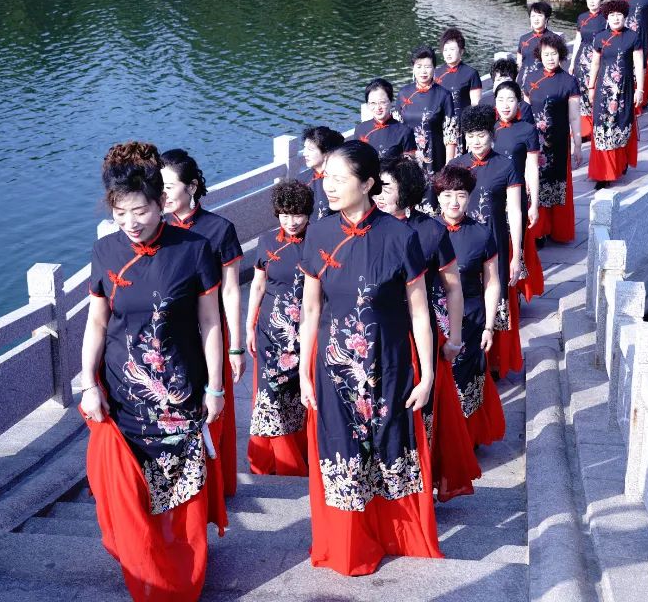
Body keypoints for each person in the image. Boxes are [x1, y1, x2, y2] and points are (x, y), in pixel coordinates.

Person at [80, 142, 227, 602]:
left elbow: (209, 322)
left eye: (140, 211)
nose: (131, 223)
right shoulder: (105, 251)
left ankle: (183, 574)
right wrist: (88, 383)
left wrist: (217, 386)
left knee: (180, 490)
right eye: (121, 213)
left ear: (161, 203)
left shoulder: (195, 249)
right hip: (123, 395)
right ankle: (145, 570)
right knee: (134, 492)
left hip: (179, 392)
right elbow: (97, 321)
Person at [298, 140, 442, 576]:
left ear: (367, 183)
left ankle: (394, 534)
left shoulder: (401, 236)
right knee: (342, 450)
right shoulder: (320, 232)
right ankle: (348, 544)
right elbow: (310, 310)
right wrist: (305, 373)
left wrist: (429, 373)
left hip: (391, 363)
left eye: (341, 180)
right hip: (335, 368)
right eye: (327, 178)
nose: (329, 188)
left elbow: (419, 310)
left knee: (389, 443)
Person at [375, 156, 479, 503]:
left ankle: (420, 484)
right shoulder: (367, 227)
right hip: (373, 335)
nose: (377, 193)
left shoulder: (431, 231)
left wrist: (455, 337)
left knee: (422, 410)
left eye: (386, 187)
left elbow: (453, 288)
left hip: (419, 332)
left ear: (405, 189)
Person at [163, 148, 244, 499]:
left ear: (191, 186)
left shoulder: (219, 229)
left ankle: (214, 488)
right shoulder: (156, 231)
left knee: (212, 406)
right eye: (157, 186)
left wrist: (236, 344)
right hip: (168, 337)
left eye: (168, 186)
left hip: (210, 331)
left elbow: (230, 292)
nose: (161, 194)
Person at [432, 165, 506, 446]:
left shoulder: (481, 234)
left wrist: (489, 326)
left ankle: (465, 440)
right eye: (448, 195)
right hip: (434, 319)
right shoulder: (425, 231)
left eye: (461, 195)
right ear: (438, 197)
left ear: (470, 197)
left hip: (471, 318)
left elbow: (492, 282)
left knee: (467, 378)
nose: (454, 202)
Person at [449, 106, 525, 380]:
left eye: (481, 134)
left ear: (491, 135)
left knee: (495, 294)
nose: (476, 141)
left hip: (495, 243)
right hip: (462, 245)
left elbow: (515, 211)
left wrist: (517, 254)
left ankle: (494, 362)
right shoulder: (456, 165)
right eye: (471, 135)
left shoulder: (506, 165)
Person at [244, 180, 313, 477]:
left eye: (297, 214)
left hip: (309, 328)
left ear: (308, 213)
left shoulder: (319, 241)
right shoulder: (268, 241)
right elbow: (258, 284)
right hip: (271, 329)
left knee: (303, 393)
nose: (291, 221)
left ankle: (305, 453)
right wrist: (248, 326)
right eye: (284, 214)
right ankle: (278, 460)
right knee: (271, 394)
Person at [523, 32, 582, 244]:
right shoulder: (531, 79)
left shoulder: (569, 81)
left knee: (556, 185)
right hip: (534, 143)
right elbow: (525, 110)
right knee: (534, 184)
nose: (550, 58)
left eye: (554, 54)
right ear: (540, 55)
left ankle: (555, 230)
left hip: (557, 143)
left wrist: (577, 144)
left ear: (561, 55)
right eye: (546, 54)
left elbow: (574, 116)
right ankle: (537, 231)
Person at [492, 80, 543, 301]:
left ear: (518, 103)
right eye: (501, 100)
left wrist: (534, 203)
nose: (505, 105)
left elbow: (532, 168)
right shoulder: (487, 128)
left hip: (517, 194)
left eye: (510, 100)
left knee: (516, 244)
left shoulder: (528, 130)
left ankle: (515, 293)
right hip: (492, 195)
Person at [586, 0, 644, 187]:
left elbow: (638, 65)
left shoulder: (633, 37)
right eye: (612, 15)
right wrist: (591, 87)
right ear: (607, 18)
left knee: (621, 124)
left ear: (625, 17)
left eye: (619, 15)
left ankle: (621, 163)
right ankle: (603, 173)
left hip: (624, 90)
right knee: (603, 128)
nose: (615, 18)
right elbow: (595, 63)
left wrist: (640, 89)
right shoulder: (600, 37)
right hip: (604, 90)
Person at [395, 46, 457, 178]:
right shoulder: (403, 94)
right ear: (413, 68)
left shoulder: (444, 95)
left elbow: (450, 136)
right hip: (408, 160)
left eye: (427, 66)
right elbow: (396, 130)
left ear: (434, 68)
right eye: (419, 66)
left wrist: (448, 167)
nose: (423, 71)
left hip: (435, 159)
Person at [572, 0, 609, 139]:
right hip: (582, 60)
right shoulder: (582, 17)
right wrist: (573, 61)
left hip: (598, 58)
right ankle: (585, 130)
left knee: (596, 93)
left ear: (602, 0)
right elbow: (578, 40)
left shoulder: (606, 18)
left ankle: (599, 125)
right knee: (582, 93)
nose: (592, 1)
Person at [356, 78, 416, 160]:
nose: (378, 107)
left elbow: (409, 166)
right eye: (373, 103)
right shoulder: (360, 129)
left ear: (391, 102)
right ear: (367, 105)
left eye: (382, 102)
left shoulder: (404, 132)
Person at [434, 27, 483, 119]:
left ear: (461, 51)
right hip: (440, 122)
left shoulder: (471, 74)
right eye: (445, 50)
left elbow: (475, 105)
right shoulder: (436, 73)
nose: (448, 53)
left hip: (462, 122)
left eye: (452, 49)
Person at [298, 125, 345, 222]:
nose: (304, 153)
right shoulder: (302, 180)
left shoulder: (342, 179)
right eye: (304, 148)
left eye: (310, 149)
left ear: (326, 152)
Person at [516, 1, 564, 89]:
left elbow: (559, 64)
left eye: (540, 15)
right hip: (523, 82)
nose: (536, 19)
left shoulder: (554, 38)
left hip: (544, 82)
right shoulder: (523, 38)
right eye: (533, 16)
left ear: (546, 18)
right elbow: (519, 63)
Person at [481, 58, 533, 122]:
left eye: (507, 80)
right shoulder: (484, 102)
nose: (503, 84)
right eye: (499, 80)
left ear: (514, 82)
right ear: (493, 82)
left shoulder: (523, 107)